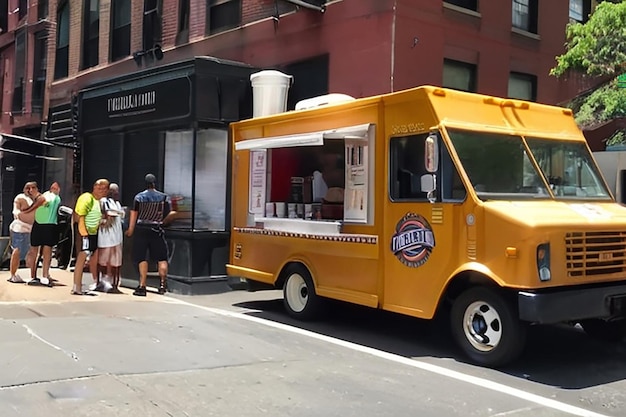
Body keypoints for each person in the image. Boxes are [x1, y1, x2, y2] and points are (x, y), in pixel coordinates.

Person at [125, 173, 177, 297]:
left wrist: (130, 229)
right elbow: (171, 213)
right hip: (156, 229)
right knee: (161, 258)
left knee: (142, 257)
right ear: (155, 183)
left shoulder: (139, 197)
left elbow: (134, 213)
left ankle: (142, 285)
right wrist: (162, 222)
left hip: (142, 229)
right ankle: (163, 285)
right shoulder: (164, 197)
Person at [72, 178, 109, 295]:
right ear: (94, 187)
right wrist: (84, 235)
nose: (101, 190)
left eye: (103, 189)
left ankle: (78, 286)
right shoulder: (87, 198)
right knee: (82, 258)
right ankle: (76, 286)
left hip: (93, 233)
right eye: (98, 188)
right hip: (85, 233)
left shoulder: (98, 202)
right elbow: (80, 216)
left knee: (86, 258)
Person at [28, 182, 61, 286]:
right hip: (39, 225)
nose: (54, 188)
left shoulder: (56, 198)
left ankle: (45, 275)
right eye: (53, 186)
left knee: (47, 251)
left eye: (56, 187)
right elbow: (43, 201)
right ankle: (33, 276)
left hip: (49, 225)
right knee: (34, 251)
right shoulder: (47, 195)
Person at [7, 182, 39, 284]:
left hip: (32, 229)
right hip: (20, 228)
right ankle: (13, 275)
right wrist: (20, 215)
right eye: (27, 188)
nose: (30, 190)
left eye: (33, 187)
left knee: (33, 252)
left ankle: (33, 276)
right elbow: (16, 210)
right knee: (17, 251)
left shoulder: (37, 198)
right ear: (24, 189)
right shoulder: (20, 197)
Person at [97, 183, 125, 293]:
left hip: (117, 236)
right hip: (106, 236)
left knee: (116, 262)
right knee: (103, 260)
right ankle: (102, 282)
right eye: (113, 191)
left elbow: (121, 215)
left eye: (116, 191)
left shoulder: (117, 203)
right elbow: (108, 214)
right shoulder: (104, 201)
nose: (115, 193)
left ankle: (115, 284)